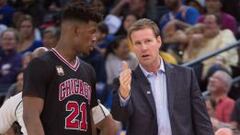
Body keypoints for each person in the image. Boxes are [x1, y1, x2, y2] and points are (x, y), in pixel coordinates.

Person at [22, 1, 118, 135]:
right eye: (92, 32)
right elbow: (30, 117)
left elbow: (90, 120)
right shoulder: (40, 65)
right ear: (76, 31)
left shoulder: (88, 70)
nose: (95, 38)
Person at [111, 18, 214, 135]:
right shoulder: (125, 81)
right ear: (133, 48)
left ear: (159, 41)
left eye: (148, 41)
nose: (143, 48)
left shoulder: (186, 75)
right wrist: (124, 95)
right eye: (138, 43)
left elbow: (202, 120)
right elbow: (119, 116)